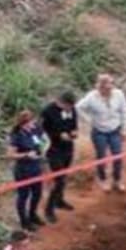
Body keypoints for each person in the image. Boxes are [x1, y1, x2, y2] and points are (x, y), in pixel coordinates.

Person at [77, 74, 126, 192]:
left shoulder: (119, 94)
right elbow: (79, 107)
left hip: (115, 130)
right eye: (106, 87)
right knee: (101, 156)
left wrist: (124, 129)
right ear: (100, 87)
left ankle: (117, 180)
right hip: (99, 132)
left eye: (111, 85)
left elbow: (125, 111)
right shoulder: (91, 97)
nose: (109, 89)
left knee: (118, 156)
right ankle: (103, 179)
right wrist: (88, 120)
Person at [40, 91, 78, 223]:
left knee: (63, 176)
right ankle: (49, 210)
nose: (69, 109)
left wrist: (74, 132)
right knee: (58, 180)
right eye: (67, 106)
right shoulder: (47, 112)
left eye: (71, 106)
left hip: (68, 148)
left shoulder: (72, 109)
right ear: (60, 102)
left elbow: (74, 124)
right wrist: (58, 135)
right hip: (53, 150)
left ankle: (59, 200)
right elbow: (42, 131)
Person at [7, 110, 48, 231]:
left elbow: (44, 139)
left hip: (36, 167)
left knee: (37, 193)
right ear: (23, 124)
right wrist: (26, 155)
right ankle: (24, 221)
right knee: (23, 196)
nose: (32, 124)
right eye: (29, 123)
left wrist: (43, 149)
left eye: (33, 122)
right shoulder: (16, 135)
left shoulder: (36, 129)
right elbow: (10, 155)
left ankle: (32, 215)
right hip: (23, 170)